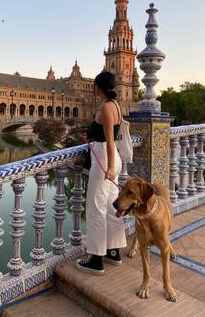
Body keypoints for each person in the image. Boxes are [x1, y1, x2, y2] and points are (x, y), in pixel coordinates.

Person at [75, 71, 126, 275]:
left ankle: (96, 259)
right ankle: (113, 251)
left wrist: (111, 168)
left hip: (105, 160)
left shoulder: (106, 108)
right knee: (111, 205)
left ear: (98, 87)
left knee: (96, 206)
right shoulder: (116, 106)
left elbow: (109, 141)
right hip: (111, 159)